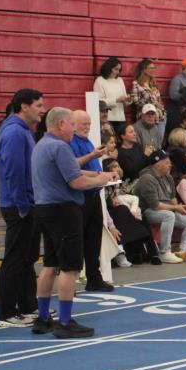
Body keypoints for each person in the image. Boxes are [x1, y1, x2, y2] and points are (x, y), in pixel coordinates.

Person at [29, 108, 115, 338]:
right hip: (63, 211)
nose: (74, 129)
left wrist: (96, 176)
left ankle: (43, 317)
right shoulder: (60, 147)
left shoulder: (41, 145)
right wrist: (100, 180)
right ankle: (65, 322)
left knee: (50, 264)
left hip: (44, 209)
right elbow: (76, 181)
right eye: (71, 125)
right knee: (70, 267)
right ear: (60, 124)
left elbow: (70, 170)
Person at [0, 89, 45, 327]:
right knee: (15, 259)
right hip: (18, 205)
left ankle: (28, 306)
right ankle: (6, 313)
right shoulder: (14, 132)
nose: (42, 110)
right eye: (38, 105)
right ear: (24, 107)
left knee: (27, 258)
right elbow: (14, 170)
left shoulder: (24, 131)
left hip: (27, 202)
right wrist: (22, 205)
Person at [69, 109, 113, 292]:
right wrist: (94, 161)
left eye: (89, 124)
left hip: (94, 194)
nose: (87, 127)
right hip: (81, 196)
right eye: (84, 124)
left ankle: (94, 277)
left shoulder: (86, 140)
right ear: (73, 124)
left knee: (94, 238)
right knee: (78, 239)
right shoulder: (70, 141)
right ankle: (70, 281)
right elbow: (73, 166)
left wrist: (102, 173)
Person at [132, 149, 186, 264]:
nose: (170, 165)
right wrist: (175, 208)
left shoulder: (168, 177)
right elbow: (155, 205)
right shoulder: (147, 178)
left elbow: (172, 198)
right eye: (167, 162)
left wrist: (179, 207)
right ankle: (164, 252)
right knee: (168, 216)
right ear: (158, 164)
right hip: (146, 212)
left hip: (165, 210)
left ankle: (183, 251)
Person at [102, 158, 161, 265]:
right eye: (114, 167)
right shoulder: (103, 186)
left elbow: (117, 199)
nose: (118, 169)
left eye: (118, 166)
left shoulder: (117, 183)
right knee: (123, 210)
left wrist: (132, 211)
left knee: (140, 215)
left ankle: (151, 252)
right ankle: (127, 253)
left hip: (116, 211)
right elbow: (104, 207)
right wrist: (112, 226)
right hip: (105, 213)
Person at [130, 58, 166, 138]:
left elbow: (159, 100)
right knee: (146, 141)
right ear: (144, 69)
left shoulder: (153, 84)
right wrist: (152, 103)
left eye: (154, 68)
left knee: (158, 142)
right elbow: (136, 102)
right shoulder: (136, 84)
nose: (153, 70)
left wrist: (160, 105)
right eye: (151, 68)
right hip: (146, 118)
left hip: (159, 117)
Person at [95, 57, 129, 132]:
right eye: (116, 69)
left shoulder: (120, 80)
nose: (118, 72)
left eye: (119, 70)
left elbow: (125, 99)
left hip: (120, 117)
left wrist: (128, 99)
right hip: (107, 118)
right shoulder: (100, 80)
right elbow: (99, 101)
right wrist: (116, 100)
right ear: (109, 68)